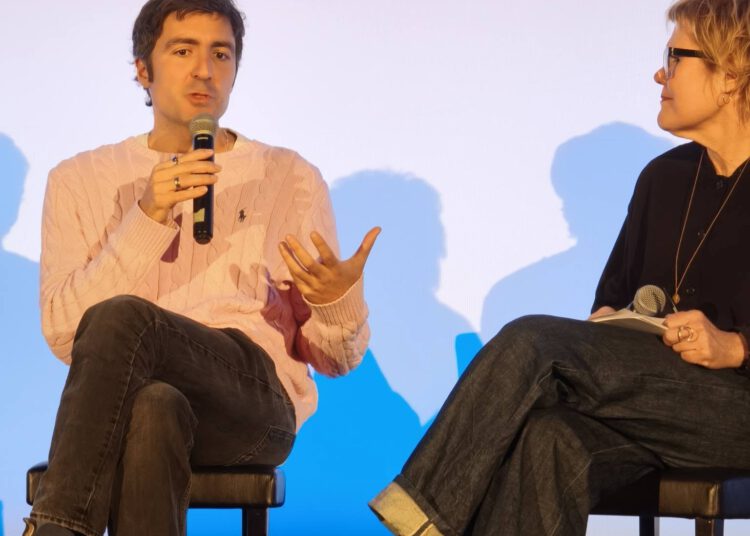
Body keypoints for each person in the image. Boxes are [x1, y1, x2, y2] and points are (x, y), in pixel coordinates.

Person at [369, 0, 750, 534]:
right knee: (549, 439)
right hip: (655, 402)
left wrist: (735, 346)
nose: (659, 73)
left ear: (730, 75)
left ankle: (423, 514)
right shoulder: (663, 179)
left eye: (675, 57)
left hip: (736, 412)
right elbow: (614, 296)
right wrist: (611, 320)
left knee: (535, 342)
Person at [23, 1, 379, 535]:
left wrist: (335, 303)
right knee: (153, 407)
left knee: (124, 319)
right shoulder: (78, 180)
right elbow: (64, 334)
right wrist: (147, 217)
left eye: (221, 54)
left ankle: (56, 527)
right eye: (183, 51)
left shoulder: (288, 176)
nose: (204, 70)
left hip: (252, 406)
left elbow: (336, 359)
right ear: (143, 69)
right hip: (136, 400)